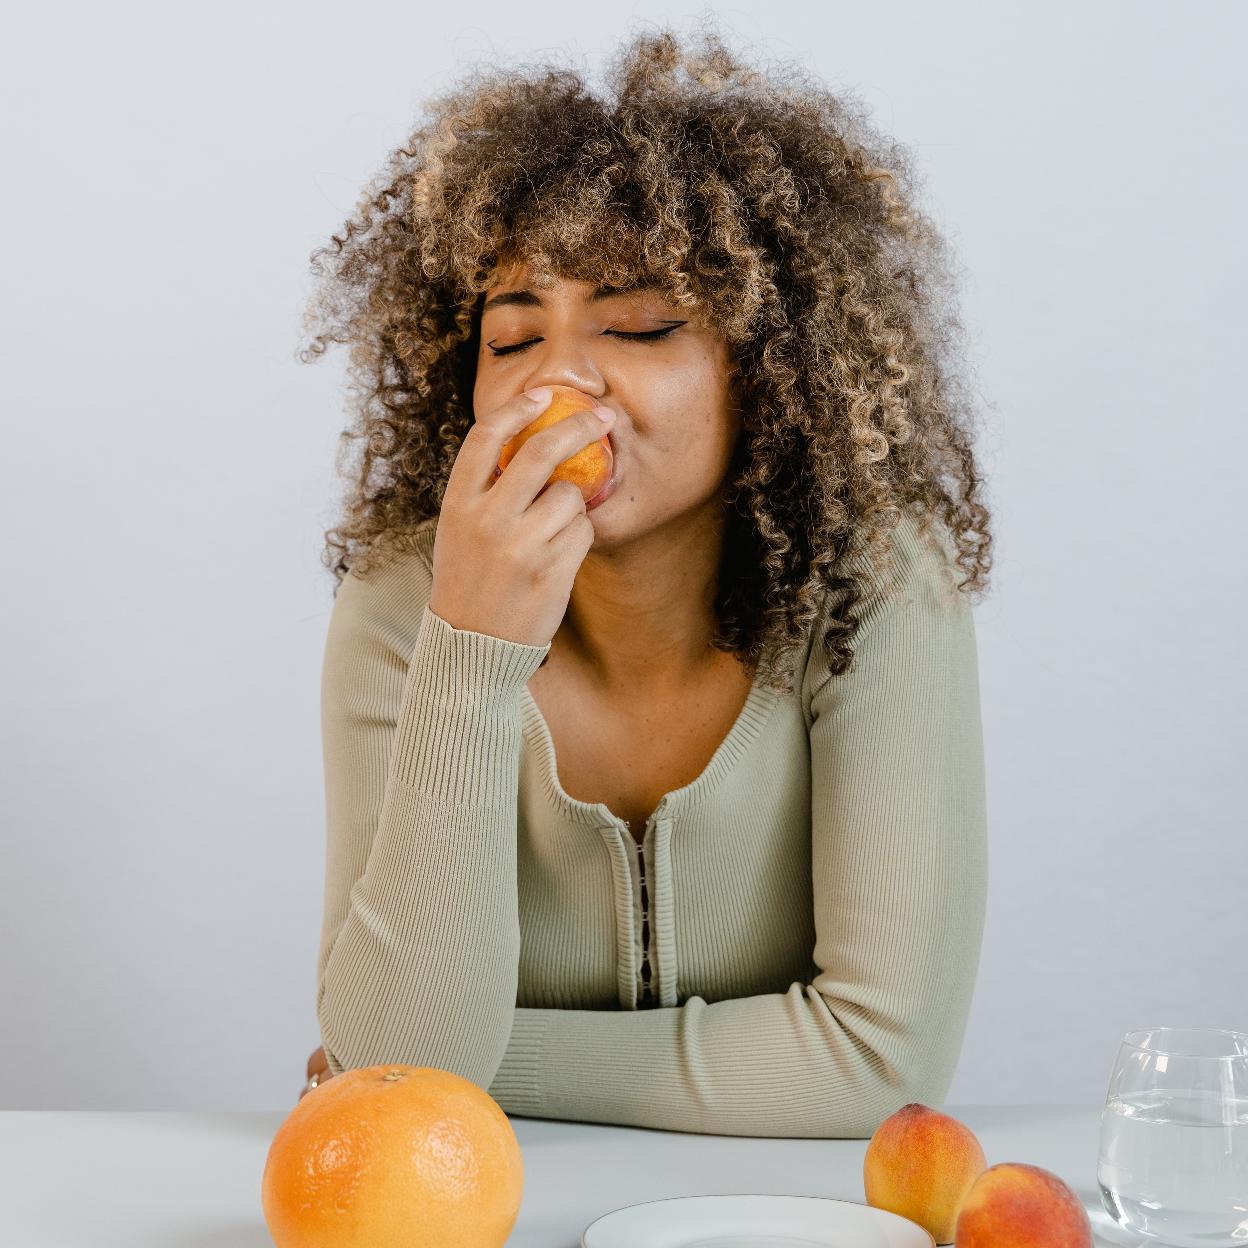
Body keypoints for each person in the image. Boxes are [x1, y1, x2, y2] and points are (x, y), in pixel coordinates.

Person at [295, 19, 995, 1138]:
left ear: (768, 366)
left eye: (640, 324)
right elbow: (400, 1089)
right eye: (514, 340)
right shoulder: (402, 602)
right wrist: (470, 655)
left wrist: (477, 1064)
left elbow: (881, 1060)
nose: (562, 379)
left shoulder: (872, 584)